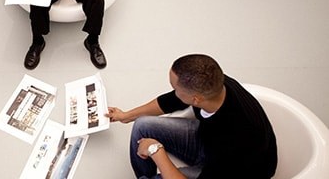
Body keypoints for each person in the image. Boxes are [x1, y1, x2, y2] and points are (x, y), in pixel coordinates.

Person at [107, 54, 277, 179]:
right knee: (142, 125)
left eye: (176, 88)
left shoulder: (233, 140)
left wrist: (155, 151)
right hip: (208, 143)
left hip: (235, 171)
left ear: (196, 99)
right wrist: (126, 115)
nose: (174, 92)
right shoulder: (215, 83)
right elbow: (170, 101)